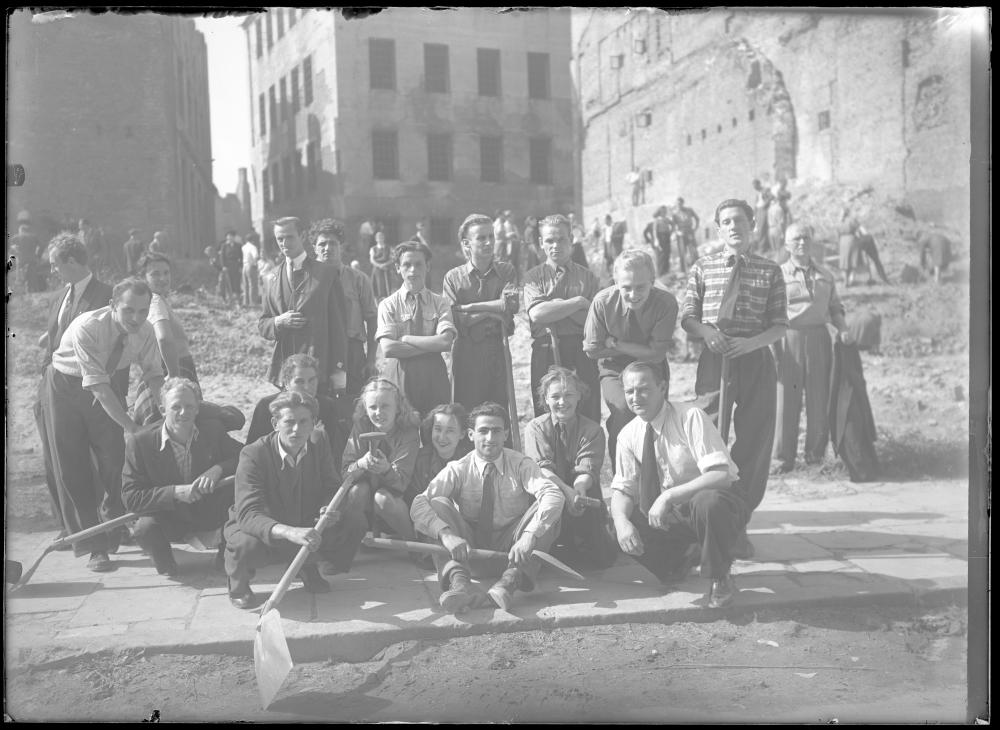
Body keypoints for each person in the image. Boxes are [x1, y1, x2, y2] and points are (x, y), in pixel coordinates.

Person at [681, 198, 788, 552]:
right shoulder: (703, 267)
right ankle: (704, 523)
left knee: (754, 443)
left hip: (755, 358)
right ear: (718, 228)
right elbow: (688, 316)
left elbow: (779, 326)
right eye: (726, 221)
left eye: (740, 220)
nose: (733, 227)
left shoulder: (770, 270)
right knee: (707, 437)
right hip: (715, 360)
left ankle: (737, 519)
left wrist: (753, 343)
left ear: (752, 225)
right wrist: (706, 332)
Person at [40, 277, 165, 572]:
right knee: (74, 466)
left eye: (143, 311)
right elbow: (96, 387)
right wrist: (132, 428)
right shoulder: (88, 326)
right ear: (112, 306)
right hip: (64, 387)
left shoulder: (145, 332)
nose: (136, 318)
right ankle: (95, 546)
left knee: (116, 460)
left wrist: (164, 413)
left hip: (106, 386)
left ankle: (114, 523)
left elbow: (154, 376)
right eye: (128, 310)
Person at [609, 362, 746, 608]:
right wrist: (621, 523)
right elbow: (623, 489)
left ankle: (720, 576)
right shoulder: (627, 434)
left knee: (708, 501)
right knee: (616, 519)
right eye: (629, 392)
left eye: (643, 389)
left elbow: (720, 476)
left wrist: (667, 496)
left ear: (662, 387)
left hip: (712, 508)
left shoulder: (689, 417)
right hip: (671, 516)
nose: (635, 397)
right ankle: (680, 559)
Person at [410, 402, 565, 613]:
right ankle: (460, 585)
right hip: (468, 551)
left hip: (514, 552)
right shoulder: (458, 468)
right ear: (471, 435)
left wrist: (529, 536)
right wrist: (447, 536)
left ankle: (509, 583)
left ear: (506, 434)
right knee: (437, 504)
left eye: (496, 431)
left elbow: (553, 494)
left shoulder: (520, 464)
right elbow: (419, 503)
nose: (490, 438)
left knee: (549, 510)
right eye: (483, 431)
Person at [223, 391, 369, 609]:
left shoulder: (319, 442)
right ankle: (238, 585)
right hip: (265, 525)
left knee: (354, 522)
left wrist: (329, 508)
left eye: (303, 422)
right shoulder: (253, 454)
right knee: (246, 545)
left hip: (303, 518)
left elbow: (331, 486)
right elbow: (248, 514)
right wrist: (290, 532)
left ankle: (307, 565)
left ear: (313, 424)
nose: (296, 429)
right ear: (275, 423)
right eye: (289, 422)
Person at [33, 234, 114, 540]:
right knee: (62, 461)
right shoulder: (59, 297)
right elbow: (53, 340)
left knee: (107, 464)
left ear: (71, 261)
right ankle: (77, 531)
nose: (52, 271)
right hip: (55, 388)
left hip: (93, 390)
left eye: (55, 264)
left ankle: (109, 528)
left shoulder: (106, 295)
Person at [122, 378, 242, 577]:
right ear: (162, 409)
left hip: (209, 511)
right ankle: (166, 563)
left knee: (241, 505)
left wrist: (217, 469)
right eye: (175, 407)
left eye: (189, 406)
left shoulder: (212, 430)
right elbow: (130, 497)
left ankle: (226, 556)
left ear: (197, 409)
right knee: (144, 527)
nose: (183, 412)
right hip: (170, 517)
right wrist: (176, 492)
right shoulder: (140, 442)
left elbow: (243, 456)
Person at [583, 249, 678, 466]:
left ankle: (656, 479)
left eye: (641, 287)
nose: (633, 294)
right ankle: (623, 478)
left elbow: (657, 353)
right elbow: (592, 350)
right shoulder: (603, 302)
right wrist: (639, 348)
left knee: (654, 417)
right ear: (615, 281)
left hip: (651, 367)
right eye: (626, 287)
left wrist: (616, 343)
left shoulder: (666, 303)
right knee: (624, 410)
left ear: (652, 281)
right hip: (613, 368)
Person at [772, 223, 850, 474]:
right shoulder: (777, 275)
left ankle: (815, 458)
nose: (802, 243)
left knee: (819, 399)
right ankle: (782, 459)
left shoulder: (826, 275)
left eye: (806, 238)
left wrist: (843, 327)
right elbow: (769, 312)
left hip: (819, 338)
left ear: (812, 241)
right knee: (787, 400)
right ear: (786, 245)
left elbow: (836, 308)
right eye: (796, 239)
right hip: (789, 338)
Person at [524, 367, 617, 570]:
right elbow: (542, 469)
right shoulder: (535, 428)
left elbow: (586, 469)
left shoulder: (593, 430)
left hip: (580, 491)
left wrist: (579, 492)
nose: (562, 402)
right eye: (555, 396)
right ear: (545, 399)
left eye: (568, 395)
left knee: (602, 559)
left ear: (579, 397)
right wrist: (566, 493)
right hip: (549, 490)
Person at [523, 214, 602, 422]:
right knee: (547, 415)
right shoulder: (532, 277)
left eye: (561, 239)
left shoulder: (588, 277)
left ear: (572, 240)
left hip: (581, 350)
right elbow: (538, 314)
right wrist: (576, 302)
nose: (555, 245)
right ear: (541, 243)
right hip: (545, 349)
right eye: (549, 240)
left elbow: (593, 320)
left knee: (586, 410)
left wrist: (554, 307)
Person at [259, 216, 349, 395]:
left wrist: (339, 374)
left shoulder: (326, 274)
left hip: (318, 370)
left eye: (289, 237)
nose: (284, 243)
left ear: (302, 235)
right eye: (279, 238)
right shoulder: (271, 278)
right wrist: (278, 321)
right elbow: (263, 324)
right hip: (285, 371)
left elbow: (339, 328)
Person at [443, 214, 518, 420]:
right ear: (467, 244)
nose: (488, 242)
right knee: (466, 413)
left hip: (498, 348)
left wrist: (471, 307)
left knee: (498, 412)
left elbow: (509, 305)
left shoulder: (506, 271)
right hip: (467, 351)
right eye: (481, 238)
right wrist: (489, 312)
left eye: (491, 236)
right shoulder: (453, 277)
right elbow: (454, 319)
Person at [376, 239, 456, 416]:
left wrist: (406, 339)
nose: (413, 270)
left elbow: (445, 342)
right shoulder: (388, 305)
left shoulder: (440, 303)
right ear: (397, 267)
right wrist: (430, 346)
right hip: (399, 374)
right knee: (403, 428)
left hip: (433, 375)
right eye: (407, 265)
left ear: (428, 266)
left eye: (418, 264)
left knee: (435, 429)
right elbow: (388, 348)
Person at [342, 379, 421, 540]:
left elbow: (402, 482)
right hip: (365, 499)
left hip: (395, 499)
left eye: (385, 406)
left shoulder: (409, 432)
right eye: (372, 407)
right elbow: (345, 473)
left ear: (398, 407)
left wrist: (386, 469)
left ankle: (414, 545)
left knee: (382, 498)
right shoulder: (361, 426)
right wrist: (360, 464)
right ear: (365, 408)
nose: (378, 412)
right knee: (357, 492)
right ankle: (349, 544)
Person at [311, 218, 378, 399]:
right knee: (320, 403)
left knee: (350, 403)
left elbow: (372, 319)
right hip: (318, 351)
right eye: (322, 244)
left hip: (352, 351)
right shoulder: (306, 281)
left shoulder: (359, 279)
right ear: (314, 248)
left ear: (341, 246)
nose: (327, 248)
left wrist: (371, 359)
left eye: (333, 243)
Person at [246, 353, 349, 467]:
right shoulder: (266, 406)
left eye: (312, 380)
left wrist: (319, 441)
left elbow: (335, 453)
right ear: (286, 383)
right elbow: (252, 452)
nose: (307, 387)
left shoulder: (327, 407)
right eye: (299, 381)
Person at [408, 403, 472, 508]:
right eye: (438, 429)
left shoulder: (469, 460)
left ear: (462, 434)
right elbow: (414, 501)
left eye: (450, 431)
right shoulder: (420, 460)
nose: (442, 437)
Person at [11, 221, 43, 292]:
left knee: (20, 278)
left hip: (21, 260)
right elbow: (41, 246)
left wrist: (15, 252)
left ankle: (20, 293)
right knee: (32, 278)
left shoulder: (16, 237)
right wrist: (38, 256)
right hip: (32, 259)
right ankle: (32, 292)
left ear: (21, 230)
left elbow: (12, 247)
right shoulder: (33, 237)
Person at [644, 206, 674, 276]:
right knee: (661, 255)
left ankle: (667, 271)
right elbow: (654, 231)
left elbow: (673, 225)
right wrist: (656, 240)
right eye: (663, 212)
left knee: (667, 253)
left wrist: (672, 232)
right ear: (660, 212)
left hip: (667, 237)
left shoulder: (667, 219)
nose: (664, 213)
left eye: (665, 211)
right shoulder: (657, 220)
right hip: (660, 238)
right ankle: (661, 273)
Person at [369, 229, 397, 301]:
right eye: (378, 237)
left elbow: (392, 258)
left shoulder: (388, 248)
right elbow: (372, 260)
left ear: (384, 238)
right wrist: (379, 266)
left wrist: (385, 264)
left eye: (381, 237)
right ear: (376, 239)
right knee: (377, 288)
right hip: (377, 270)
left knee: (387, 287)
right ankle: (377, 303)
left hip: (386, 269)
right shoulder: (373, 249)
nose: (380, 239)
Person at [671, 197, 700, 267]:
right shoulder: (674, 213)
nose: (679, 205)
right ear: (675, 204)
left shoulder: (689, 210)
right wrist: (677, 232)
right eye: (677, 203)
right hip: (681, 233)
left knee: (693, 249)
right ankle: (684, 270)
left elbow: (697, 219)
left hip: (689, 231)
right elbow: (673, 225)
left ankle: (697, 266)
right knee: (682, 252)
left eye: (680, 203)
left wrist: (695, 228)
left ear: (682, 203)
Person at [219, 231, 243, 305]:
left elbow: (241, 257)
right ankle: (230, 300)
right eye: (228, 237)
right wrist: (223, 266)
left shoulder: (238, 246)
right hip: (227, 266)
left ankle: (238, 300)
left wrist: (240, 266)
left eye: (231, 237)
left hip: (236, 265)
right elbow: (222, 257)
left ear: (234, 237)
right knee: (228, 283)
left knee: (236, 283)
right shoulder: (224, 246)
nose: (229, 238)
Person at [751, 180, 773, 253]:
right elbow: (756, 204)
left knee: (763, 228)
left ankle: (763, 248)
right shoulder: (757, 193)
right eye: (754, 187)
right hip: (758, 211)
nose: (755, 188)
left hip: (764, 210)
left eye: (756, 186)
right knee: (759, 230)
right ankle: (762, 247)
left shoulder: (765, 190)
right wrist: (753, 213)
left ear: (759, 184)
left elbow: (771, 197)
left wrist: (765, 204)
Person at [241, 232, 260, 307]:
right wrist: (255, 264)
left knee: (246, 285)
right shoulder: (253, 247)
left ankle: (246, 302)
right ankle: (253, 303)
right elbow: (255, 257)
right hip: (250, 266)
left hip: (244, 266)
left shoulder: (243, 247)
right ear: (253, 240)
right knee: (253, 285)